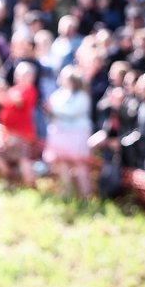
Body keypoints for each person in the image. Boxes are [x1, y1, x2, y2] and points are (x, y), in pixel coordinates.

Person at [43, 65, 93, 197]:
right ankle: (67, 193)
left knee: (80, 164)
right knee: (62, 163)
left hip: (76, 134)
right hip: (60, 133)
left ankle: (85, 194)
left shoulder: (82, 96)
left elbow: (73, 111)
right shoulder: (59, 93)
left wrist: (54, 110)